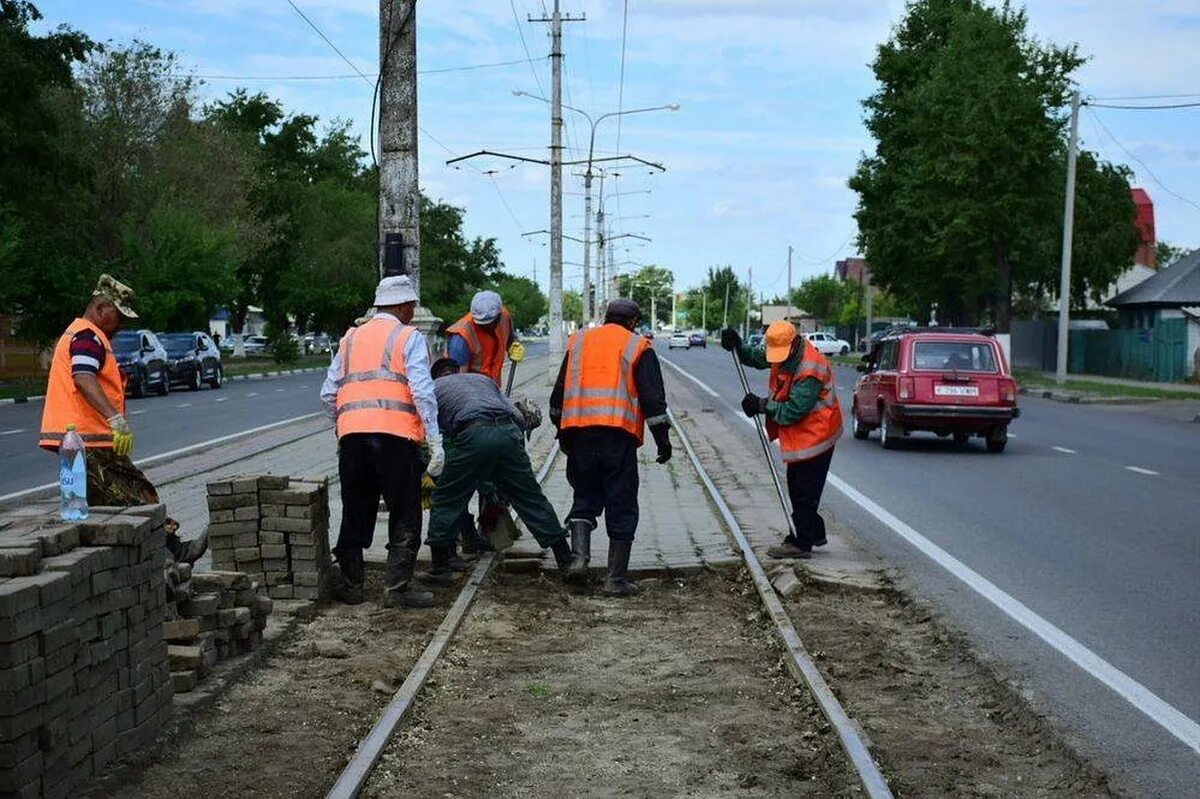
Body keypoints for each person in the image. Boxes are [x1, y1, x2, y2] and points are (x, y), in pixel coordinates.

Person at [39, 274, 206, 563]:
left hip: (76, 442)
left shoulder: (78, 333)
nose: (122, 325)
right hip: (86, 441)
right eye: (119, 316)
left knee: (92, 507)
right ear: (101, 307)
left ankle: (140, 560)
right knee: (136, 496)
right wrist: (114, 418)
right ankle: (172, 553)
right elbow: (82, 376)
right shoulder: (88, 336)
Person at [319, 275, 443, 608]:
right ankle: (396, 589)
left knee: (355, 509)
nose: (412, 313)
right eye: (411, 307)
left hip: (353, 439)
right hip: (395, 438)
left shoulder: (351, 338)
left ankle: (352, 585)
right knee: (405, 510)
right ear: (403, 305)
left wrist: (344, 427)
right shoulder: (408, 337)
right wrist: (435, 440)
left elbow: (328, 393)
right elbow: (422, 391)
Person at [550, 298, 672, 597]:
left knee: (584, 496)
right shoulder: (637, 346)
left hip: (580, 433)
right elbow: (653, 400)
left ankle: (579, 559)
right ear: (633, 322)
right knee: (622, 503)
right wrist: (663, 440)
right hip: (618, 436)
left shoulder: (578, 341)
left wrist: (562, 434)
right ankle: (615, 579)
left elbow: (558, 396)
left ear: (606, 318)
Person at [421, 358, 573, 585]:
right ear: (456, 370)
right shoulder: (483, 379)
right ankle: (566, 559)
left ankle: (441, 566)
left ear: (436, 375)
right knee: (530, 497)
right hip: (509, 432)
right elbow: (518, 416)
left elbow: (434, 435)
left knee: (446, 498)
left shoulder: (432, 389)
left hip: (473, 433)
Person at [721, 321, 843, 559]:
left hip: (818, 434)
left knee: (803, 489)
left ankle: (800, 543)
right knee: (799, 487)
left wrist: (761, 405)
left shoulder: (810, 369)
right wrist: (738, 346)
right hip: (803, 435)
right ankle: (814, 531)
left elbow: (793, 411)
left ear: (795, 343)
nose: (778, 359)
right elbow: (758, 357)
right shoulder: (785, 353)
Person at [443, 289, 526, 555]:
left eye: (491, 322)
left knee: (495, 469)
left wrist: (514, 348)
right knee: (470, 470)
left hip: (495, 397)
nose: (487, 327)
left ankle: (486, 528)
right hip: (469, 407)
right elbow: (457, 382)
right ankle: (463, 533)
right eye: (482, 323)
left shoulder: (505, 318)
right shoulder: (461, 336)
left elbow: (510, 340)